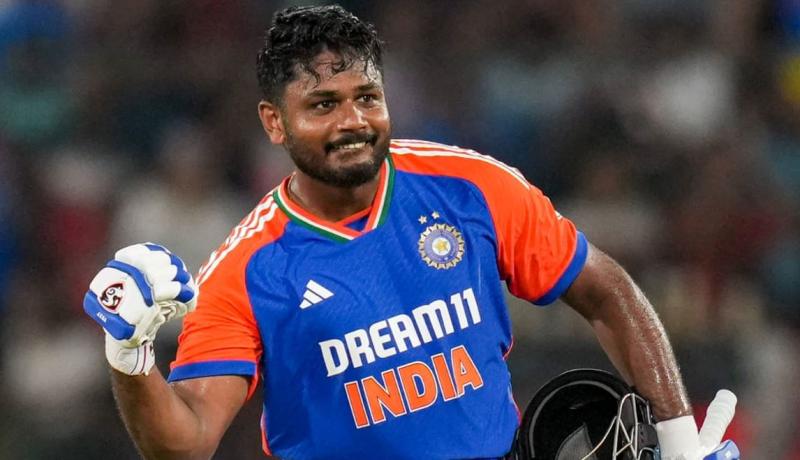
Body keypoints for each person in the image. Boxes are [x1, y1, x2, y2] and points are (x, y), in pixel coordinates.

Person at [83, 5, 734, 459]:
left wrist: (679, 440)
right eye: (322, 105)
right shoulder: (245, 271)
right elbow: (188, 442)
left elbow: (605, 290)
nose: (352, 122)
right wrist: (130, 355)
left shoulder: (471, 187)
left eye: (366, 97)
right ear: (274, 123)